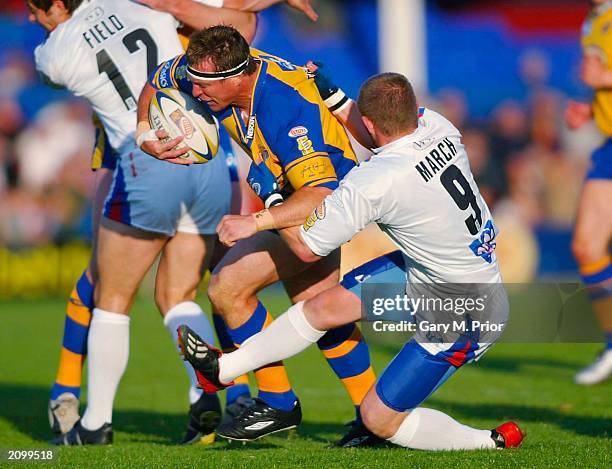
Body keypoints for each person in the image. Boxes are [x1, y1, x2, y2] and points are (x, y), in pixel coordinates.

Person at [177, 72, 526, 450]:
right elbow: (374, 129)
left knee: (379, 419)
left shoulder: (375, 182)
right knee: (324, 307)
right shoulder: (437, 125)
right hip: (441, 273)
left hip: (463, 311)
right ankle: (224, 369)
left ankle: (491, 441)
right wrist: (333, 95)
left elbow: (307, 249)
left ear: (372, 122)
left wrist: (270, 202)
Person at [28, 0, 257, 446]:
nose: (34, 20)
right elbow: (232, 16)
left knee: (112, 298)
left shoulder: (54, 50)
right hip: (207, 152)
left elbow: (49, 75)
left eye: (38, 11)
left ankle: (94, 424)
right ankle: (206, 391)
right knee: (178, 294)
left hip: (148, 153)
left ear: (57, 5)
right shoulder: (142, 6)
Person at [139, 26, 378, 445]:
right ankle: (373, 416)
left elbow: (320, 197)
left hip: (329, 202)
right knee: (319, 305)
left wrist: (257, 220)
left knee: (228, 287)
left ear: (238, 77)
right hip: (294, 193)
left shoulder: (284, 107)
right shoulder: (211, 73)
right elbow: (157, 79)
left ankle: (278, 401)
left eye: (204, 84)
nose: (194, 90)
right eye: (193, 79)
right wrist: (145, 135)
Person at [564, 0, 612, 385]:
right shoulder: (593, 18)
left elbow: (603, 75)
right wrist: (590, 109)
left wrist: (604, 79)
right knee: (586, 247)